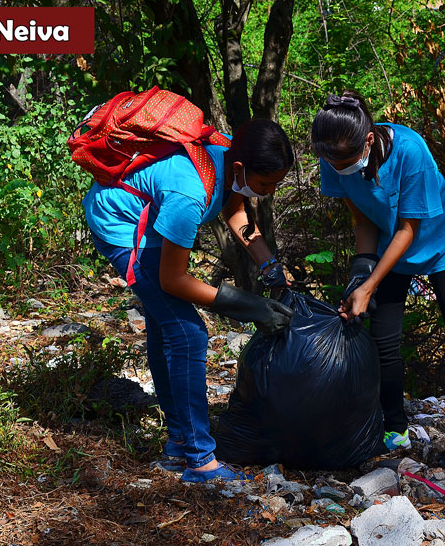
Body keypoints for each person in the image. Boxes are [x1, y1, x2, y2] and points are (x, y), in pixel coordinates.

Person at [84, 119, 295, 482]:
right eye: (265, 185)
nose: (269, 193)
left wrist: (269, 264)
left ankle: (180, 442)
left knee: (167, 326)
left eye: (277, 184)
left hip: (147, 216)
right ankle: (199, 459)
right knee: (187, 333)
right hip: (121, 224)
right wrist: (250, 307)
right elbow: (174, 279)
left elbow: (236, 210)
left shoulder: (228, 153)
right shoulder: (190, 192)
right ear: (241, 168)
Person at [311, 91, 445, 467]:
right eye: (331, 161)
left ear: (368, 139)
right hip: (389, 249)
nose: (337, 168)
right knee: (383, 340)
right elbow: (363, 218)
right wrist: (361, 271)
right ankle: (395, 427)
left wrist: (371, 285)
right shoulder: (333, 156)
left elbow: (409, 229)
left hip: (439, 244)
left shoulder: (410, 151)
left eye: (345, 161)